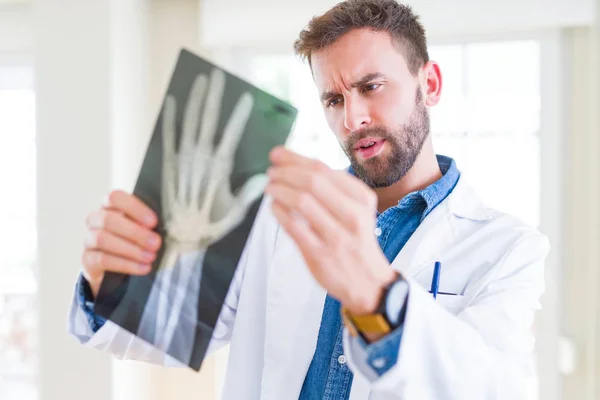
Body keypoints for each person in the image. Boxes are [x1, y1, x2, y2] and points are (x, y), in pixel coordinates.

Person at [68, 0, 550, 399]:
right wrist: (105, 283)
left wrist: (378, 296)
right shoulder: (274, 220)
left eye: (370, 87)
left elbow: (489, 386)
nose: (352, 118)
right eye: (334, 100)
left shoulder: (510, 250)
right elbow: (158, 332)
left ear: (430, 84)